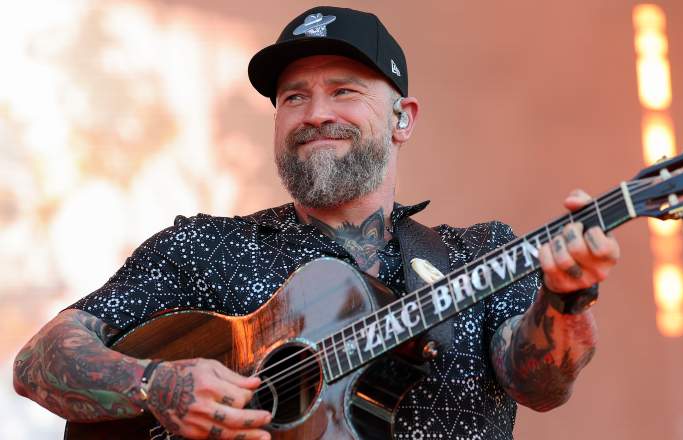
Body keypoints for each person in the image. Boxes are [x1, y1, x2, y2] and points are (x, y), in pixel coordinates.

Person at [13, 6, 620, 440]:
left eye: (344, 91)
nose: (315, 113)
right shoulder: (201, 246)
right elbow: (40, 360)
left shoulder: (480, 254)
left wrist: (565, 302)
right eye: (293, 97)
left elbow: (539, 387)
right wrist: (157, 387)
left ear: (402, 118)